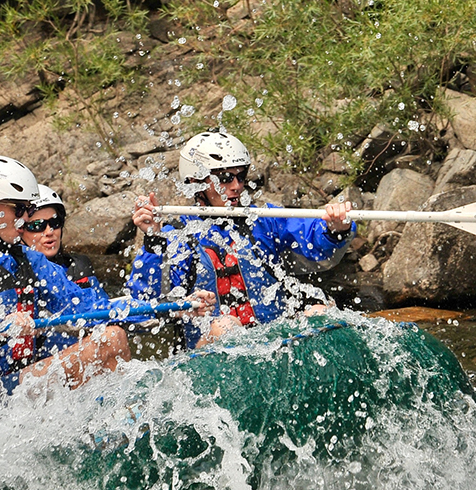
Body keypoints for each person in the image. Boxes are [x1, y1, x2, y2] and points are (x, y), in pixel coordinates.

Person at [0, 154, 130, 393]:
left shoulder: (28, 258)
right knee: (111, 340)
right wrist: (0, 330)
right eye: (18, 209)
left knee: (111, 336)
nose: (26, 218)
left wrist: (148, 310)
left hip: (19, 379)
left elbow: (86, 307)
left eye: (28, 209)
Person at [127, 130, 355, 350]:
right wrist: (154, 240)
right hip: (209, 349)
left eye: (241, 176)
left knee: (318, 312)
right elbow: (147, 300)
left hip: (272, 340)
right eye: (225, 178)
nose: (237, 186)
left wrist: (335, 227)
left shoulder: (263, 220)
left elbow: (312, 236)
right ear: (197, 182)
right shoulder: (178, 235)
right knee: (226, 325)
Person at [19, 185, 112, 301]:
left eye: (55, 222)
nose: (49, 231)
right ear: (19, 232)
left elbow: (102, 310)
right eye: (37, 225)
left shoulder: (78, 267)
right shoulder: (11, 274)